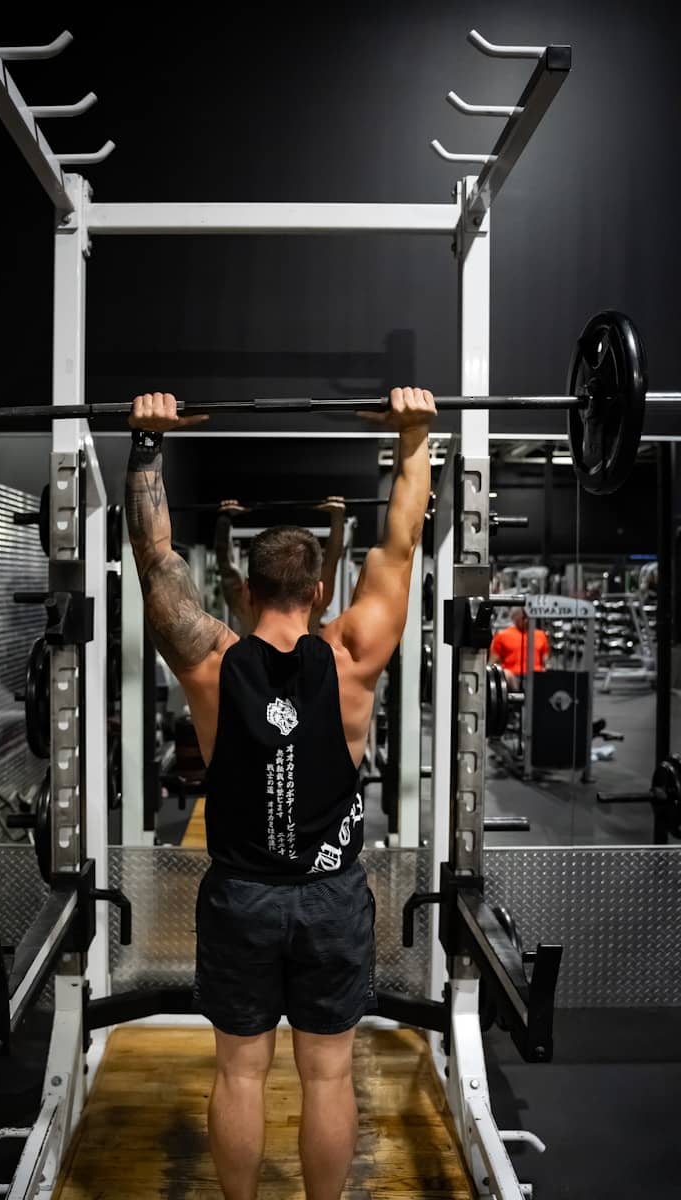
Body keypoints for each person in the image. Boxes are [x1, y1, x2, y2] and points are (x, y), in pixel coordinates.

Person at [125, 386, 435, 1200]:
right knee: (329, 1076)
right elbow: (401, 547)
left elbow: (156, 559)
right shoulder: (355, 654)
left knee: (239, 1073)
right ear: (322, 593)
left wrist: (148, 445)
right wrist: (413, 437)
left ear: (247, 592)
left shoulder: (207, 660)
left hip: (242, 899)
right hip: (332, 898)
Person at [215, 496, 346, 635]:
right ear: (317, 592)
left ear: (248, 591)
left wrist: (225, 519)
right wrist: (337, 517)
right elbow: (331, 562)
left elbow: (225, 564)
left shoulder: (248, 611)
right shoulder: (312, 609)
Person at [489, 606, 550, 687]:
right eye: (523, 617)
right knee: (506, 675)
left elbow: (545, 661)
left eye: (528, 617)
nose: (526, 620)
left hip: (536, 675)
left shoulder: (541, 635)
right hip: (512, 675)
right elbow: (493, 661)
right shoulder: (503, 635)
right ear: (515, 617)